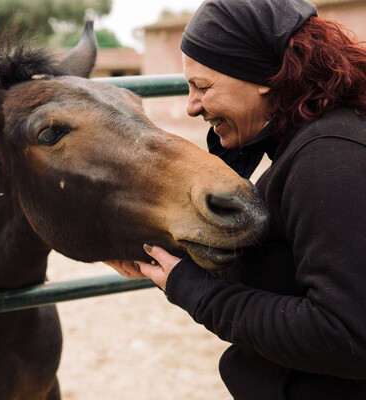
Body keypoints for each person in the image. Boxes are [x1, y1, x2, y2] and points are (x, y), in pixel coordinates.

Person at [106, 0, 366, 398]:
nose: (192, 106)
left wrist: (195, 292)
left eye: (203, 86)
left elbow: (348, 336)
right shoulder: (318, 139)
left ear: (264, 76)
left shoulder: (329, 158)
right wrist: (176, 263)